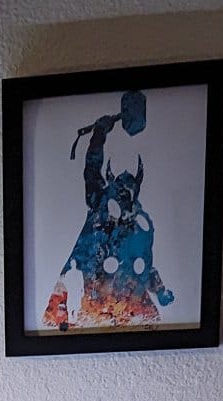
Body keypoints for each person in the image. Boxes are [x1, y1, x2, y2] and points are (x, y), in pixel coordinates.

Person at [44, 90, 175, 330]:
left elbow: (146, 263)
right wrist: (98, 135)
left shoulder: (141, 225)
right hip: (92, 301)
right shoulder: (100, 203)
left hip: (131, 305)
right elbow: (92, 168)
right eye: (119, 187)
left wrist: (161, 290)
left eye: (128, 189)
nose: (123, 194)